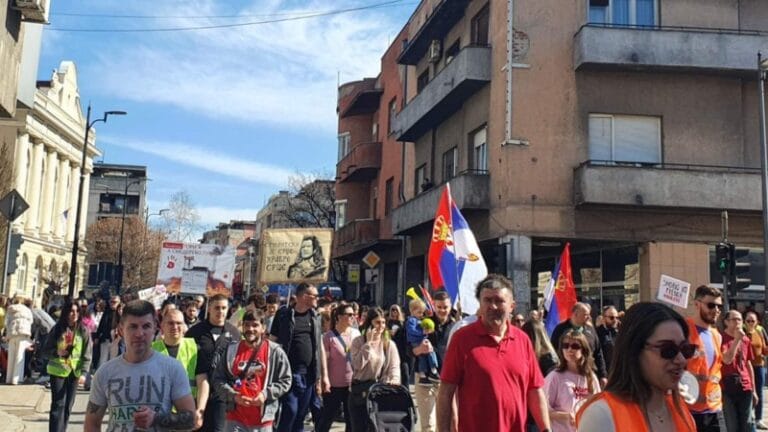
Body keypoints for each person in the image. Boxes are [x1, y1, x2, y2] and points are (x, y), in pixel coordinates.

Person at [437, 274, 551, 432]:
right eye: (487, 300)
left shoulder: (522, 340)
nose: (493, 306)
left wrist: (546, 429)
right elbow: (446, 392)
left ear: (512, 306)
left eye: (499, 301)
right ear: (480, 305)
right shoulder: (462, 339)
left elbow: (535, 390)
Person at [575, 302, 696, 431]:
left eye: (685, 349)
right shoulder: (601, 415)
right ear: (635, 351)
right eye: (668, 349)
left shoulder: (681, 411)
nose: (681, 360)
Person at [85, 300, 197, 432]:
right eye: (133, 327)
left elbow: (191, 420)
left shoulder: (172, 368)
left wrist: (156, 419)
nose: (139, 334)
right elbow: (92, 423)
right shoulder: (105, 372)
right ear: (121, 329)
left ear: (155, 327)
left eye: (146, 326)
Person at [213, 310, 292, 432]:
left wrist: (265, 394)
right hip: (234, 418)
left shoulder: (275, 352)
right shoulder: (231, 350)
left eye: (255, 325)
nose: (250, 329)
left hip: (262, 421)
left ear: (263, 328)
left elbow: (286, 380)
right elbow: (218, 379)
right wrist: (234, 396)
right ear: (242, 327)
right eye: (247, 325)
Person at [269, 282, 326, 432]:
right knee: (290, 411)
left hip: (308, 375)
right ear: (304, 296)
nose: (317, 299)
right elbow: (272, 341)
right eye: (314, 295)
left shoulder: (315, 317)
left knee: (301, 414)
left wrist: (322, 376)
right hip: (288, 373)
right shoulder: (284, 315)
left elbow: (319, 348)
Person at [186, 294, 242, 432]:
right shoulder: (195, 332)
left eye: (224, 308)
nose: (220, 311)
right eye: (217, 307)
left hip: (222, 393)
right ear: (209, 308)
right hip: (197, 392)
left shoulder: (234, 333)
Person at [348, 307, 401, 432]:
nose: (381, 326)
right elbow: (357, 365)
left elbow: (394, 367)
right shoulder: (358, 342)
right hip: (359, 392)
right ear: (370, 323)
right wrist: (368, 344)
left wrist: (394, 379)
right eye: (377, 322)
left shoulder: (388, 344)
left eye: (383, 322)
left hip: (378, 393)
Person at [43, 299, 92, 432]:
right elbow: (45, 350)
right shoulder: (57, 329)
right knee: (58, 405)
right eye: (71, 311)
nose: (74, 314)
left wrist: (84, 373)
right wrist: (56, 352)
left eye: (77, 311)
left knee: (68, 407)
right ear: (66, 313)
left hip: (74, 373)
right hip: (58, 371)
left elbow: (87, 354)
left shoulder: (83, 330)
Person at [153, 308, 208, 428]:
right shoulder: (151, 350)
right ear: (162, 325)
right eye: (170, 323)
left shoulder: (195, 348)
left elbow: (202, 381)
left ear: (184, 326)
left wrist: (200, 410)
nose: (175, 327)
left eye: (179, 323)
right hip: (158, 415)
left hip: (186, 414)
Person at [411, 290, 455, 432]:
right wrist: (419, 349)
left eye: (445, 307)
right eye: (439, 307)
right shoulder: (423, 324)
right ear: (434, 306)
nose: (442, 310)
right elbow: (409, 349)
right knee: (429, 425)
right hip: (425, 379)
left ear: (450, 306)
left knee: (447, 425)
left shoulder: (456, 326)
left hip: (448, 380)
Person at [685, 285, 726, 431]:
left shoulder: (717, 335)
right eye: (711, 305)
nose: (716, 310)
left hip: (714, 408)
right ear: (697, 304)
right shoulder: (683, 330)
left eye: (719, 306)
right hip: (688, 408)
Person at [544, 330, 600, 432]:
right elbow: (542, 410)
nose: (570, 350)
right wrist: (565, 416)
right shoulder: (554, 377)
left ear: (583, 350)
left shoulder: (591, 377)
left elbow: (599, 408)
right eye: (565, 346)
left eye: (575, 346)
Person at [317, 304, 360, 432]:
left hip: (352, 383)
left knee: (351, 419)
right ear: (339, 317)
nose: (353, 317)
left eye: (354, 315)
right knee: (327, 418)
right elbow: (323, 361)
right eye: (349, 315)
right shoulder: (329, 337)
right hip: (333, 385)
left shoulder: (356, 334)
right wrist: (323, 379)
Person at [550, 302, 608, 386]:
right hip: (566, 377)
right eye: (585, 315)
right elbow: (553, 352)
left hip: (588, 374)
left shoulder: (590, 330)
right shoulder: (560, 329)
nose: (589, 317)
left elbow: (598, 353)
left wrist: (603, 375)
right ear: (575, 314)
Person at [721, 309, 757, 432]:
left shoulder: (746, 340)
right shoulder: (720, 338)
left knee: (747, 424)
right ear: (726, 322)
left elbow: (748, 364)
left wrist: (754, 389)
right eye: (734, 319)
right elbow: (727, 360)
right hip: (727, 388)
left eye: (740, 319)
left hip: (745, 387)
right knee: (732, 426)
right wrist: (736, 340)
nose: (738, 322)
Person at [405, 299, 440, 385]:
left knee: (422, 357)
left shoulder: (417, 319)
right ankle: (433, 369)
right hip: (416, 341)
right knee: (430, 352)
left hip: (419, 340)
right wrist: (422, 332)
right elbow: (411, 331)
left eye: (422, 312)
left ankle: (423, 375)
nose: (421, 314)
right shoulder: (411, 320)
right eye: (419, 312)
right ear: (412, 311)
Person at [745, 311, 768, 429]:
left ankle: (758, 418)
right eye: (747, 320)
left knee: (759, 392)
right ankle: (749, 416)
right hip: (746, 367)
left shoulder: (759, 332)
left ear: (757, 322)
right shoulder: (742, 333)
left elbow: (764, 348)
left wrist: (764, 353)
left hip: (759, 366)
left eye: (752, 321)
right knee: (748, 393)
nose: (750, 323)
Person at [5, 296, 33, 385]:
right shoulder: (27, 310)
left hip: (12, 333)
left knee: (11, 356)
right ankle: (16, 379)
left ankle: (8, 378)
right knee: (19, 356)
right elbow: (31, 321)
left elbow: (6, 322)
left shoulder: (10, 309)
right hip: (22, 333)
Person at [93, 295, 121, 370]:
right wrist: (97, 336)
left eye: (114, 302)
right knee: (103, 359)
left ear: (119, 303)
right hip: (105, 338)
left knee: (113, 360)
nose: (112, 303)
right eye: (111, 302)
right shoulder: (107, 312)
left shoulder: (120, 313)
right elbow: (101, 325)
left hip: (116, 340)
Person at [596, 305, 619, 373]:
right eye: (611, 318)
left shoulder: (620, 332)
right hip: (605, 372)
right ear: (603, 318)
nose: (615, 320)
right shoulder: (597, 333)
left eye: (617, 317)